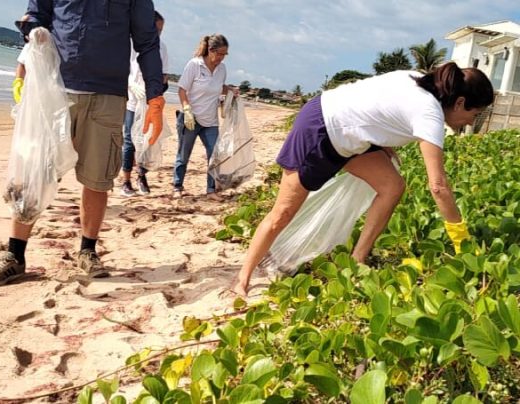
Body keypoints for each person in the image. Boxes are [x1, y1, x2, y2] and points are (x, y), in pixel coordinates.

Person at [231, 62, 494, 296]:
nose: (470, 123)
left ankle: (358, 259)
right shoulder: (430, 113)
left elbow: (375, 103)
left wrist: (382, 144)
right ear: (459, 102)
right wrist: (462, 242)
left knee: (392, 186)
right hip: (320, 129)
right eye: (474, 114)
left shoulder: (417, 79)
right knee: (283, 212)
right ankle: (243, 276)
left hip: (349, 138)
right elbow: (438, 187)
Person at [0, 0, 165, 287]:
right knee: (34, 174)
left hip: (108, 95)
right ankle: (14, 255)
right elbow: (36, 16)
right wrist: (32, 31)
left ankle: (88, 251)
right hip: (54, 89)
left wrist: (155, 97)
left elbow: (147, 42)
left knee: (98, 178)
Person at [174, 34, 236, 201]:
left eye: (225, 55)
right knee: (183, 155)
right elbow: (181, 89)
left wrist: (230, 90)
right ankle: (177, 187)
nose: (222, 58)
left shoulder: (221, 69)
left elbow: (218, 87)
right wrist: (186, 110)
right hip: (190, 119)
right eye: (220, 54)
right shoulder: (195, 65)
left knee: (214, 155)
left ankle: (210, 190)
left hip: (211, 121)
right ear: (210, 50)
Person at [121, 11, 169, 197]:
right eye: (156, 29)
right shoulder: (130, 45)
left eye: (161, 31)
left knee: (147, 140)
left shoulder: (161, 48)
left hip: (151, 103)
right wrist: (131, 85)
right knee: (129, 141)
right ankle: (126, 180)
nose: (158, 34)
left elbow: (164, 76)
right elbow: (121, 70)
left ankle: (141, 175)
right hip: (132, 101)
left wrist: (156, 94)